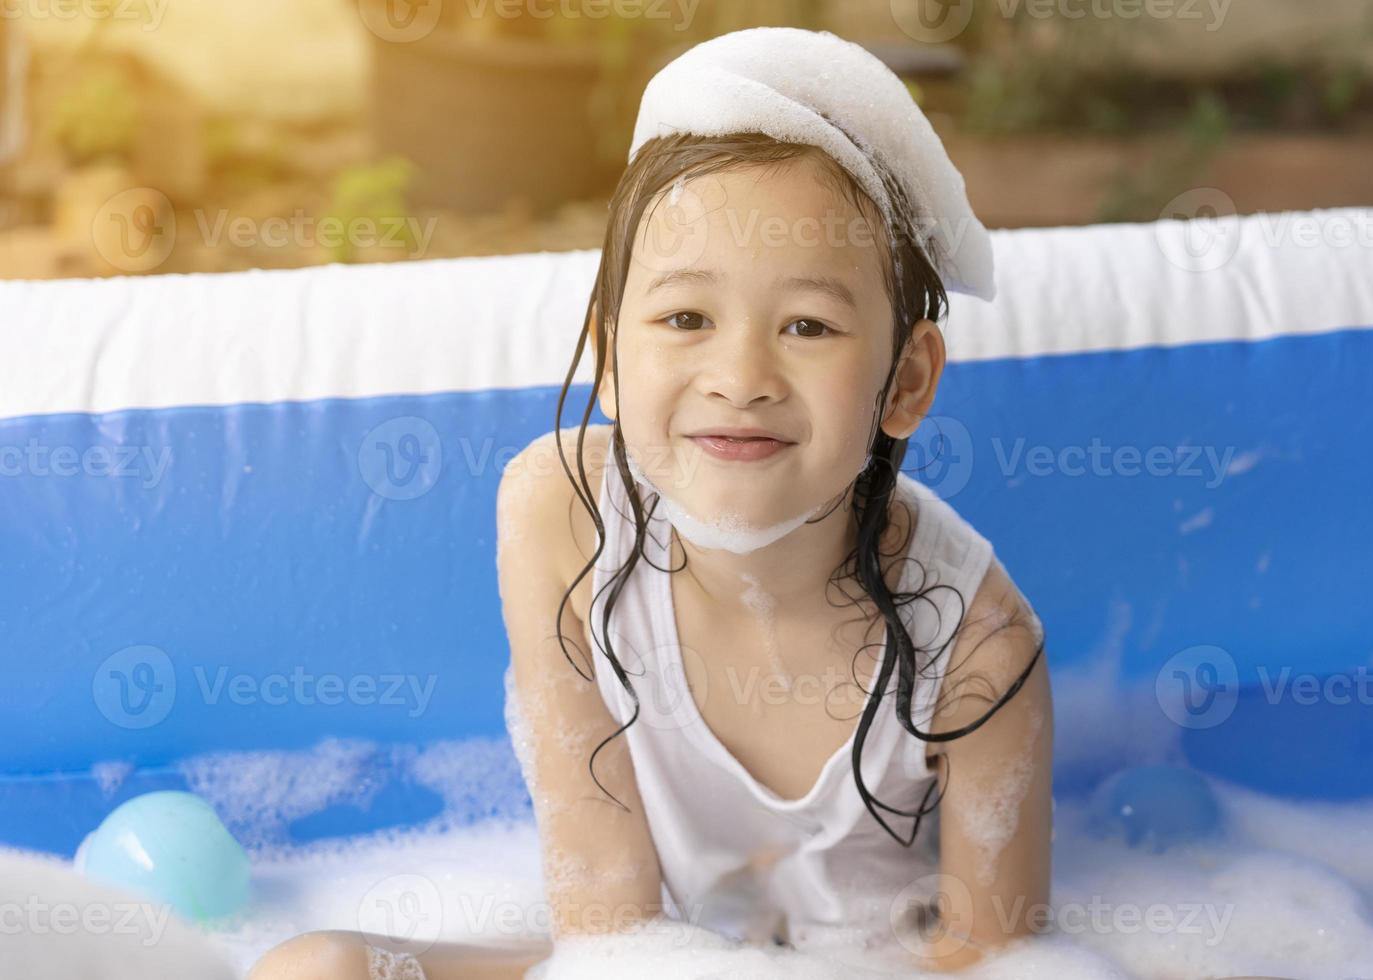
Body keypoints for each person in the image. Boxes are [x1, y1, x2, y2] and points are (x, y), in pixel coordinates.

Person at [251, 25, 1054, 978]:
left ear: (907, 381)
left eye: (808, 324)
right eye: (685, 318)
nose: (740, 376)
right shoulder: (561, 516)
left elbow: (988, 958)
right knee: (315, 968)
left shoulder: (976, 646)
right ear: (610, 358)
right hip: (651, 956)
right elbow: (605, 925)